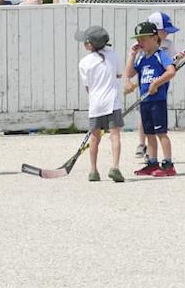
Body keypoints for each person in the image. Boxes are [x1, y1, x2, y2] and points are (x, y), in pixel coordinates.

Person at [124, 21, 177, 177]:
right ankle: (152, 162)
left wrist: (156, 83)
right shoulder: (141, 58)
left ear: (154, 38)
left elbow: (171, 72)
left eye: (144, 39)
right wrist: (132, 55)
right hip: (145, 101)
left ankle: (168, 164)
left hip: (157, 101)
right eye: (138, 40)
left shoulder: (161, 55)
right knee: (149, 134)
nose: (140, 43)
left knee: (161, 132)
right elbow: (130, 73)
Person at [75, 25, 124, 182]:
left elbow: (88, 86)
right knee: (115, 135)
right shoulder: (113, 55)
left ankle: (93, 170)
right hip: (112, 102)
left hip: (96, 104)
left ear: (90, 44)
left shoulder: (84, 62)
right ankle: (115, 167)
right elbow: (118, 74)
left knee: (95, 137)